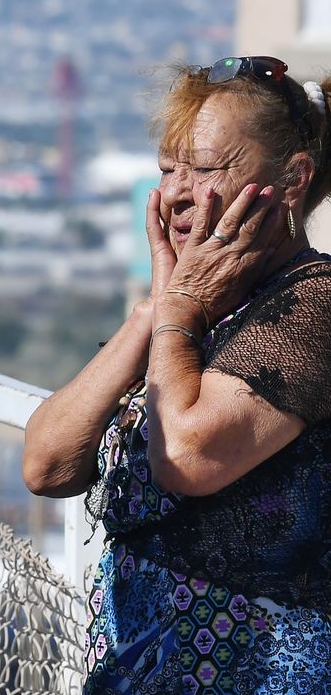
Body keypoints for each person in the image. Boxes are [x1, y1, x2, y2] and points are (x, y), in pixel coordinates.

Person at [23, 56, 331, 693]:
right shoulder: (191, 312)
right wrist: (156, 314)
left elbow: (186, 457)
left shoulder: (313, 305)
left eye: (208, 169)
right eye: (168, 169)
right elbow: (46, 464)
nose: (177, 192)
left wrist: (179, 314)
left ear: (293, 178)